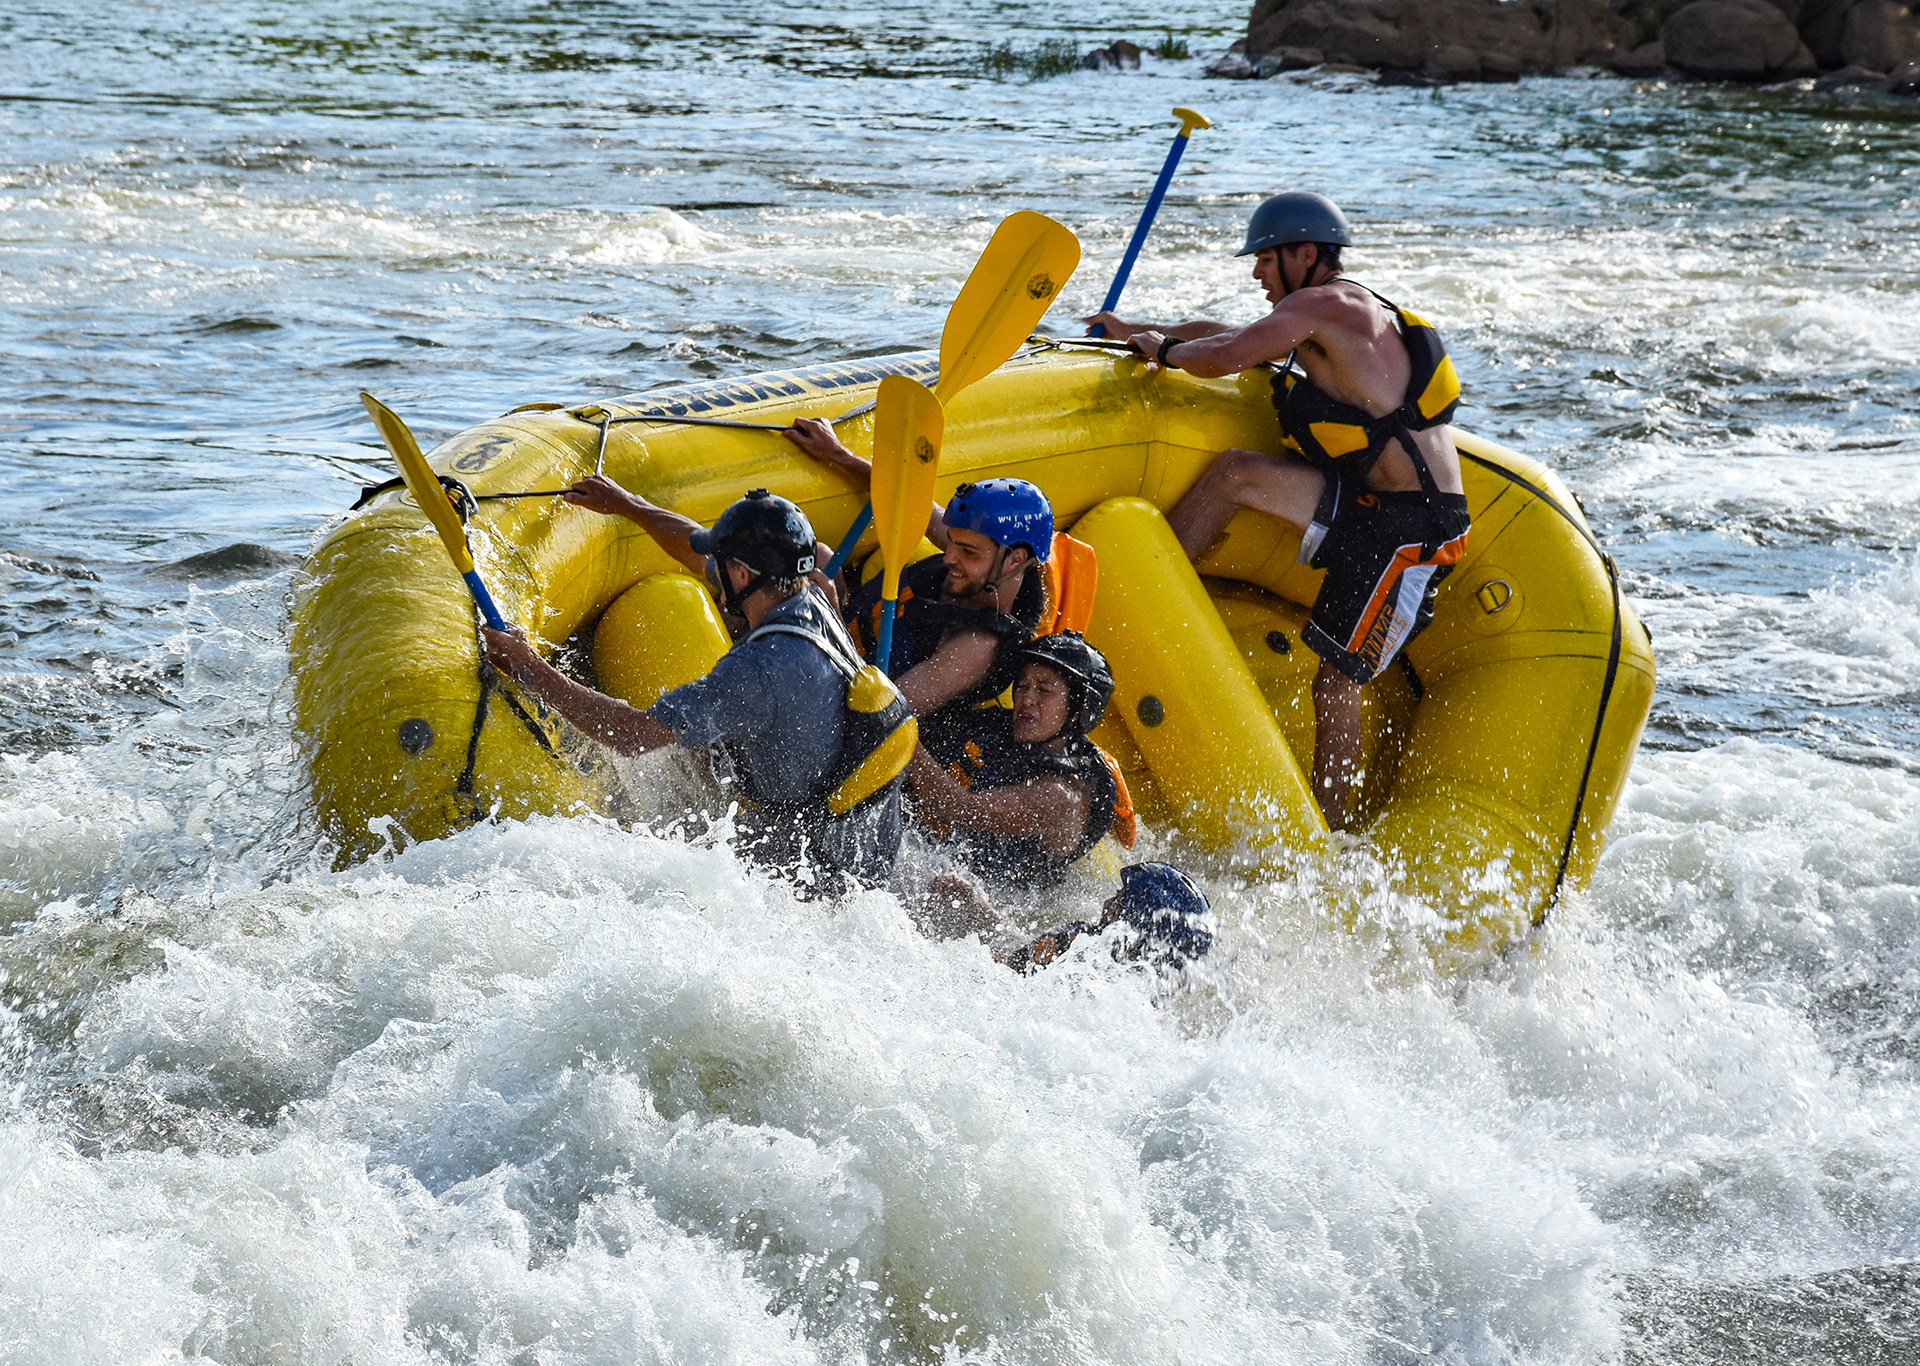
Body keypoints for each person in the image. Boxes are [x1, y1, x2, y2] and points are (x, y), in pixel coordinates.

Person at [1086, 192, 1471, 832]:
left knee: (1335, 680)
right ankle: (1120, 596)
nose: (1256, 272)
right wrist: (1140, 331)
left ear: (1304, 254)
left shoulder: (1330, 305)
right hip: (1368, 505)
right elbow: (1236, 338)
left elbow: (1226, 357)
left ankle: (1330, 832)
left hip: (1414, 530)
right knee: (1236, 473)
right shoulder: (1323, 313)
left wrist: (1163, 353)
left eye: (1265, 259)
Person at [481, 489, 910, 892]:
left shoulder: (761, 669)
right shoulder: (809, 595)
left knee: (665, 751)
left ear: (742, 574)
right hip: (867, 844)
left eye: (722, 565)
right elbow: (694, 549)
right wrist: (628, 504)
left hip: (810, 867)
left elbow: (635, 736)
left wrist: (529, 667)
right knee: (696, 744)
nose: (714, 573)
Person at [785, 418, 1052, 719]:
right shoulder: (984, 560)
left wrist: (826, 616)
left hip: (841, 692)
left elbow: (881, 718)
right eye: (950, 542)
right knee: (815, 557)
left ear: (1014, 560)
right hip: (850, 632)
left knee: (800, 586)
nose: (949, 556)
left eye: (967, 551)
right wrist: (838, 454)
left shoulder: (977, 648)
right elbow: (907, 498)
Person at [905, 632, 1133, 896]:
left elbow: (959, 808)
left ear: (1079, 709)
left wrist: (899, 728)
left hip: (997, 904)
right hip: (928, 855)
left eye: (1044, 690)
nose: (1027, 698)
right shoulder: (997, 727)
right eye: (1023, 685)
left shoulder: (1063, 796)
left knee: (953, 891)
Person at [1002, 862, 1214, 974]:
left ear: (1131, 921)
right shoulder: (1155, 996)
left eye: (1119, 897)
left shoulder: (1078, 945)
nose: (1107, 903)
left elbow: (1002, 968)